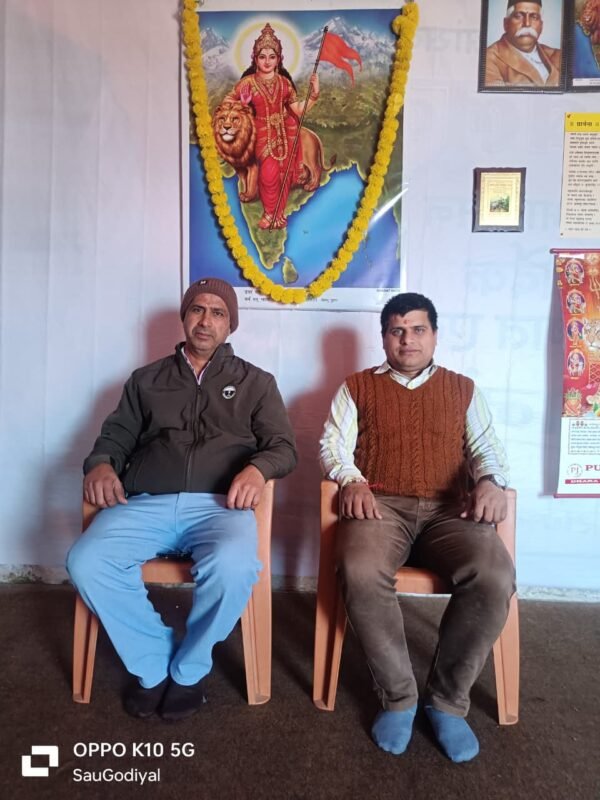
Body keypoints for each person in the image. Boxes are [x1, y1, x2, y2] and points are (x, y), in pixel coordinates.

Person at [67, 277, 297, 721]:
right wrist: (100, 463)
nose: (205, 320)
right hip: (145, 503)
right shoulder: (146, 380)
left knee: (234, 567)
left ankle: (190, 668)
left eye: (218, 313)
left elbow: (283, 448)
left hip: (220, 507)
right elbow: (115, 437)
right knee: (87, 561)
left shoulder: (256, 382)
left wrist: (257, 469)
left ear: (230, 324)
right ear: (185, 317)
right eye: (197, 309)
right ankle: (153, 661)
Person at [319, 293, 515, 763]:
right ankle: (399, 698)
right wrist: (351, 479)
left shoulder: (462, 389)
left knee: (493, 576)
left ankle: (446, 702)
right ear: (384, 337)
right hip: (381, 505)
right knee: (360, 569)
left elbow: (487, 447)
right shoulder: (357, 387)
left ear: (435, 335)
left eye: (418, 329)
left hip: (451, 511)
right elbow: (332, 445)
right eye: (397, 331)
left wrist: (489, 481)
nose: (407, 340)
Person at [225, 23, 320, 230]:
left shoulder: (285, 84)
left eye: (272, 56)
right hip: (259, 133)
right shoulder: (247, 83)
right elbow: (227, 104)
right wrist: (243, 104)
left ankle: (278, 215)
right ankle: (269, 213)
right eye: (262, 57)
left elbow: (297, 109)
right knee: (268, 174)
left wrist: (313, 95)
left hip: (284, 133)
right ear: (255, 59)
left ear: (278, 59)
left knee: (283, 173)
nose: (267, 61)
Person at [485, 1, 561, 87]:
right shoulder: (489, 58)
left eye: (534, 17)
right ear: (506, 23)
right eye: (518, 16)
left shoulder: (558, 55)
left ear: (541, 26)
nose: (527, 24)